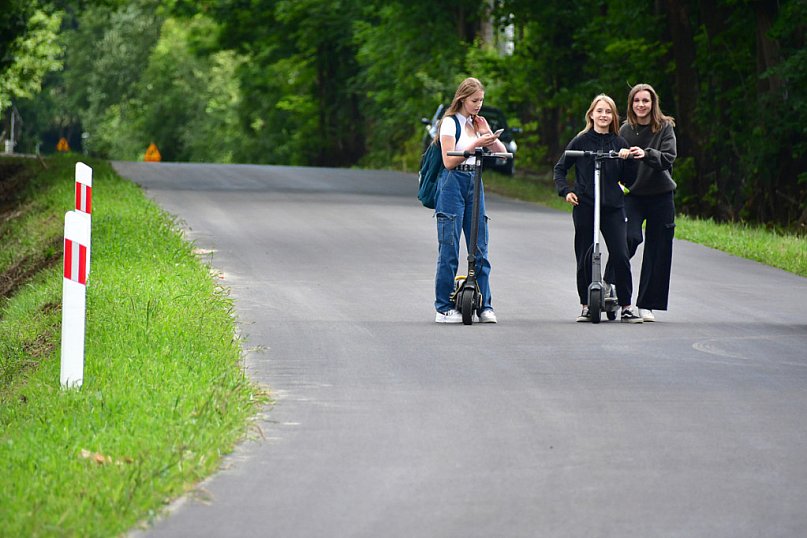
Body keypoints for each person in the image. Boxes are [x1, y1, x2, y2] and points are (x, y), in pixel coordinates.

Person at [554, 94, 643, 323]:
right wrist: (566, 191)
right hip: (585, 204)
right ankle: (585, 305)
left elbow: (629, 179)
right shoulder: (580, 141)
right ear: (591, 114)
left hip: (612, 206)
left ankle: (626, 306)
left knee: (621, 254)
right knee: (584, 255)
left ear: (613, 116)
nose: (604, 115)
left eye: (608, 112)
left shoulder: (619, 142)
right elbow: (560, 169)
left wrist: (628, 159)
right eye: (600, 111)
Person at [433, 77, 506, 324]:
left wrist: (487, 134)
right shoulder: (449, 123)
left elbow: (502, 154)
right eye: (475, 101)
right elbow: (448, 161)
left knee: (480, 248)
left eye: (481, 101)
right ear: (462, 99)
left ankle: (485, 305)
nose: (478, 105)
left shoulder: (478, 123)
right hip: (453, 183)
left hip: (475, 181)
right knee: (450, 248)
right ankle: (443, 307)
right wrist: (475, 144)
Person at [605, 83, 677, 322]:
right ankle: (610, 286)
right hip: (633, 196)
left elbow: (668, 158)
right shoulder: (625, 130)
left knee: (658, 249)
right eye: (637, 101)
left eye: (645, 101)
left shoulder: (664, 127)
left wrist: (646, 153)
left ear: (653, 103)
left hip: (661, 195)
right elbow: (614, 162)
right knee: (628, 237)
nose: (641, 105)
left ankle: (647, 304)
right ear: (631, 104)